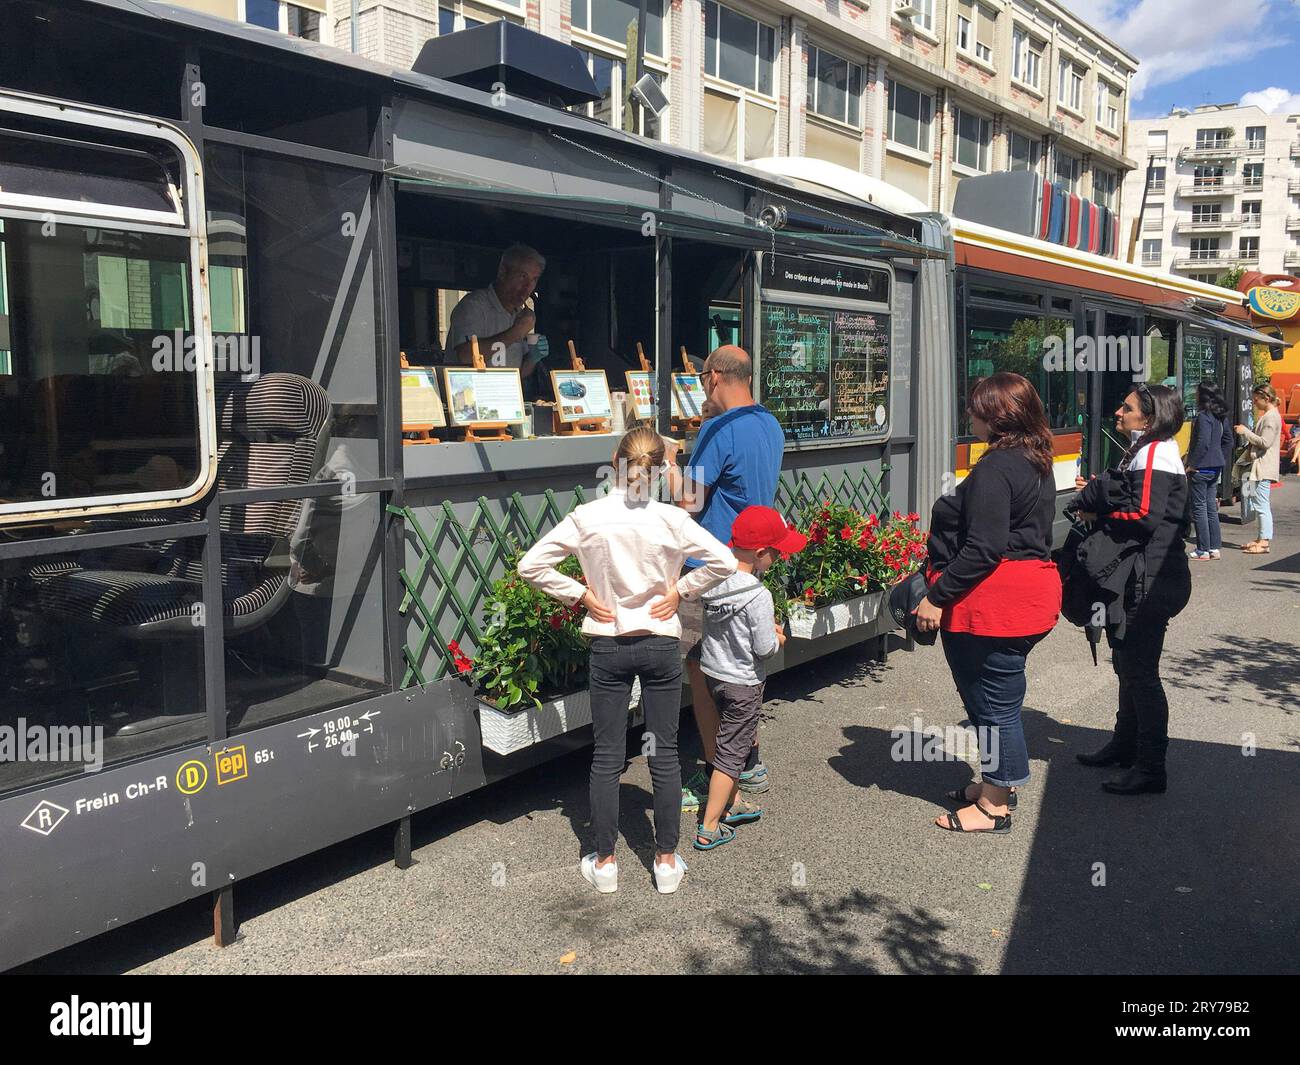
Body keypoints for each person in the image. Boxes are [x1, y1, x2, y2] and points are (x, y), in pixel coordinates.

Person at [518, 426, 736, 895]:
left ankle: (605, 861)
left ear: (615, 460)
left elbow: (530, 565)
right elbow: (724, 560)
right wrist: (681, 590)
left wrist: (578, 594)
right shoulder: (670, 519)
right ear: (660, 469)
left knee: (607, 755)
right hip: (659, 641)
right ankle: (666, 859)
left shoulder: (587, 516)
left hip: (609, 642)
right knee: (665, 755)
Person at [914, 372, 1061, 834]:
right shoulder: (1034, 458)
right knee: (995, 700)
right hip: (1029, 595)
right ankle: (995, 783)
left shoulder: (997, 467)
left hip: (995, 604)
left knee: (993, 704)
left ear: (996, 416)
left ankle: (995, 804)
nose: (968, 415)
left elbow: (984, 547)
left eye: (975, 408)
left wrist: (936, 597)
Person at [665, 345, 784, 810]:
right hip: (750, 565)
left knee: (702, 672)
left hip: (709, 568)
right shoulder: (769, 423)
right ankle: (749, 762)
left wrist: (671, 464)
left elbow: (688, 502)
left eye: (700, 381)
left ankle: (720, 775)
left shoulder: (717, 428)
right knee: (743, 671)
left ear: (714, 377)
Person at [1073, 384, 1191, 795]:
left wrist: (1095, 511)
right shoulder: (1150, 450)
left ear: (1150, 416)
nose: (1118, 413)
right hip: (1149, 576)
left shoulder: (1156, 452)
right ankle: (1125, 747)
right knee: (1127, 665)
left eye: (1127, 408)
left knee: (1140, 672)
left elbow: (1143, 516)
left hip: (1152, 579)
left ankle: (1150, 766)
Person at [692, 506, 805, 851]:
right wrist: (779, 637)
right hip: (743, 683)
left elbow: (728, 629)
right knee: (733, 755)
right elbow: (765, 649)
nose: (779, 557)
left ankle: (734, 802)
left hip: (713, 674)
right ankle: (709, 827)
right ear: (760, 554)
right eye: (776, 551)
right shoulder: (759, 594)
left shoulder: (712, 580)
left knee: (724, 740)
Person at [447, 244, 548, 377]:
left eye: (534, 279)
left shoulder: (518, 315)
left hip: (505, 394)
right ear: (503, 272)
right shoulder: (473, 306)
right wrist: (516, 332)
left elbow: (519, 374)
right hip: (471, 394)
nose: (528, 287)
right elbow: (465, 356)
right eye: (522, 277)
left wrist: (532, 358)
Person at [1184, 380, 1233, 561]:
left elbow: (1202, 442)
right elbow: (1228, 441)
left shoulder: (1203, 417)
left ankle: (1202, 548)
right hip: (1215, 466)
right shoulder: (1221, 417)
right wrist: (1220, 457)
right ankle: (1214, 547)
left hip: (1201, 468)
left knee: (1199, 507)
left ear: (1202, 396)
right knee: (1211, 507)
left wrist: (1192, 464)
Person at [1235, 383, 1282, 555]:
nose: (1255, 403)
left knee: (1261, 504)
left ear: (1266, 398)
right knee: (1259, 502)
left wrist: (1245, 432)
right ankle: (1261, 537)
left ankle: (1264, 541)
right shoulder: (1270, 416)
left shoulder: (1270, 418)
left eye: (1256, 400)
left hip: (1263, 466)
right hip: (1261, 466)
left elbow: (1265, 442)